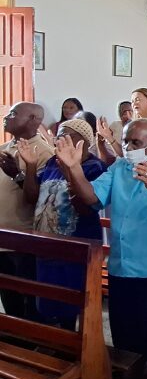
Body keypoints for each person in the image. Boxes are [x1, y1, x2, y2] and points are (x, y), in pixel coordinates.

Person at [55, 118, 147, 379]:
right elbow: (92, 198)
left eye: (135, 142)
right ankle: (131, 369)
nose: (127, 147)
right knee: (124, 322)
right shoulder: (120, 168)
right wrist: (74, 169)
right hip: (121, 260)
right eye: (126, 141)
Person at [18, 119, 105, 330]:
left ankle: (71, 342)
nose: (58, 139)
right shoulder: (52, 162)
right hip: (47, 243)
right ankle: (54, 340)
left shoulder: (95, 167)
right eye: (58, 135)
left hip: (75, 245)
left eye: (65, 135)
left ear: (83, 141)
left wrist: (70, 172)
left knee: (72, 302)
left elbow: (86, 208)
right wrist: (30, 166)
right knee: (47, 300)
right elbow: (32, 198)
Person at [0, 102, 54, 321]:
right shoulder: (4, 148)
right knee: (8, 296)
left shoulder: (44, 153)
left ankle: (30, 338)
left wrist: (17, 174)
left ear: (33, 119)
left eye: (13, 113)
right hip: (2, 235)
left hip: (23, 238)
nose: (7, 117)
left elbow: (41, 198)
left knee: (28, 300)